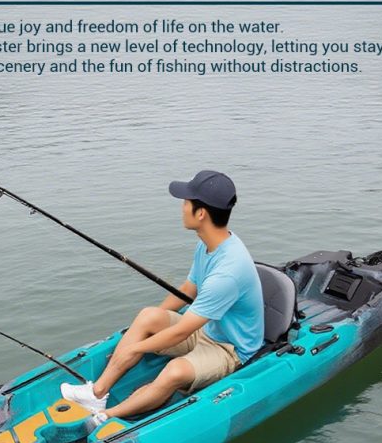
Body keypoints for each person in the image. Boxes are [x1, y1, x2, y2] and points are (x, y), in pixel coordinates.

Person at [61, 169, 265, 421]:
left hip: (229, 348)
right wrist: (144, 329)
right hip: (208, 328)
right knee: (149, 316)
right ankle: (97, 392)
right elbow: (187, 290)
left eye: (186, 202)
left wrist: (134, 348)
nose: (182, 207)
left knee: (174, 371)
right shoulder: (208, 244)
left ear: (201, 213)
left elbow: (181, 332)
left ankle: (105, 415)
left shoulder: (227, 273)